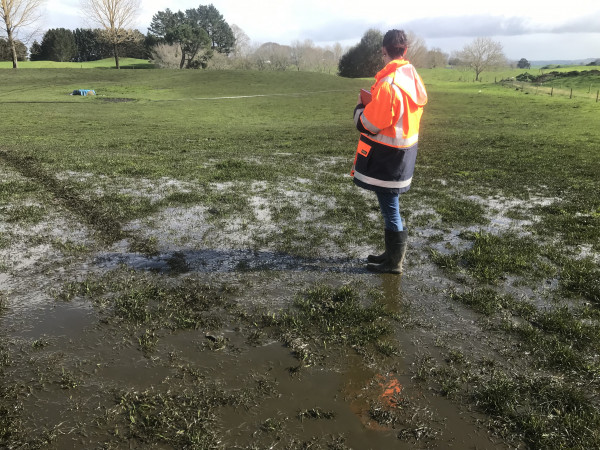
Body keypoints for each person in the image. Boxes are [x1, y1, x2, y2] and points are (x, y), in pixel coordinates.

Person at [351, 29, 428, 274]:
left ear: (384, 50)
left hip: (387, 157)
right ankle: (391, 256)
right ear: (405, 50)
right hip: (404, 154)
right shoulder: (412, 78)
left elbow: (369, 124)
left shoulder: (388, 84)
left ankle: (395, 262)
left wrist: (360, 109)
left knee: (390, 207)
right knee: (389, 206)